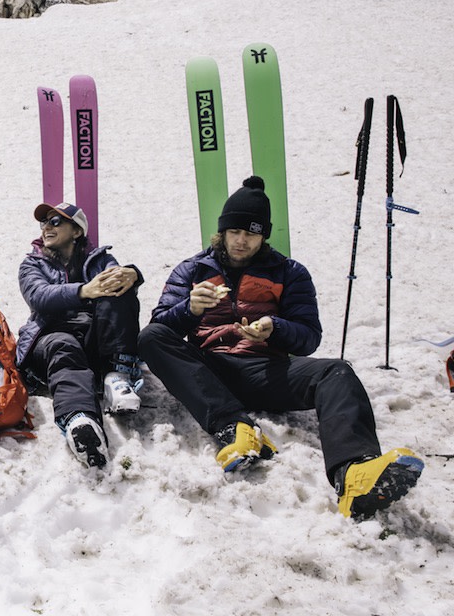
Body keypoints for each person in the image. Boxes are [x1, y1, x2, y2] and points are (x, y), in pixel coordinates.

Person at [138, 175, 423, 519]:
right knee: (150, 337)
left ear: (264, 236)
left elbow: (309, 337)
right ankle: (236, 429)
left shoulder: (290, 273)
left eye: (252, 233)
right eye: (235, 232)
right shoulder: (192, 270)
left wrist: (275, 329)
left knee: (336, 370)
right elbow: (159, 328)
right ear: (222, 232)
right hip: (209, 372)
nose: (242, 241)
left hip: (265, 371)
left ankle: (355, 473)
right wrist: (190, 309)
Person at [15, 202, 144, 468]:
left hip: (95, 340)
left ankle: (116, 376)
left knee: (119, 291)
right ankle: (80, 420)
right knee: (64, 346)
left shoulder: (100, 260)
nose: (46, 228)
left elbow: (119, 283)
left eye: (55, 222)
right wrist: (84, 291)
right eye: (44, 222)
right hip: (49, 338)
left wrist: (133, 274)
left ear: (76, 231)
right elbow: (39, 297)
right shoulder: (31, 264)